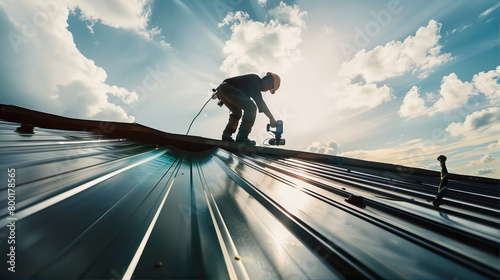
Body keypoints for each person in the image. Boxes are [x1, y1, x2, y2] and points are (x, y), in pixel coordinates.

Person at [215, 72, 280, 145]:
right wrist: (271, 118)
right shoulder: (255, 80)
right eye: (269, 87)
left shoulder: (252, 83)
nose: (266, 90)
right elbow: (260, 102)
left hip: (223, 90)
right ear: (266, 81)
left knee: (237, 113)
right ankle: (242, 138)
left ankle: (226, 135)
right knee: (251, 108)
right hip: (227, 88)